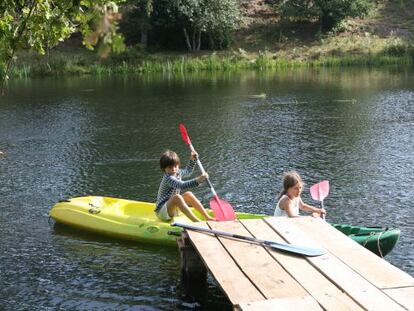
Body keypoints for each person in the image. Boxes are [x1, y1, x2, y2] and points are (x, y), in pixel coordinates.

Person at [156, 149, 215, 222]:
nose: (173, 169)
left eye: (175, 166)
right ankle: (197, 222)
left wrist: (192, 160)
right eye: (170, 167)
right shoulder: (168, 178)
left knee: (188, 194)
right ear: (164, 169)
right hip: (162, 212)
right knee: (177, 197)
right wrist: (198, 180)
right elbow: (182, 185)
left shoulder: (177, 172)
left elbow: (188, 171)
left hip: (172, 208)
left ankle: (207, 217)